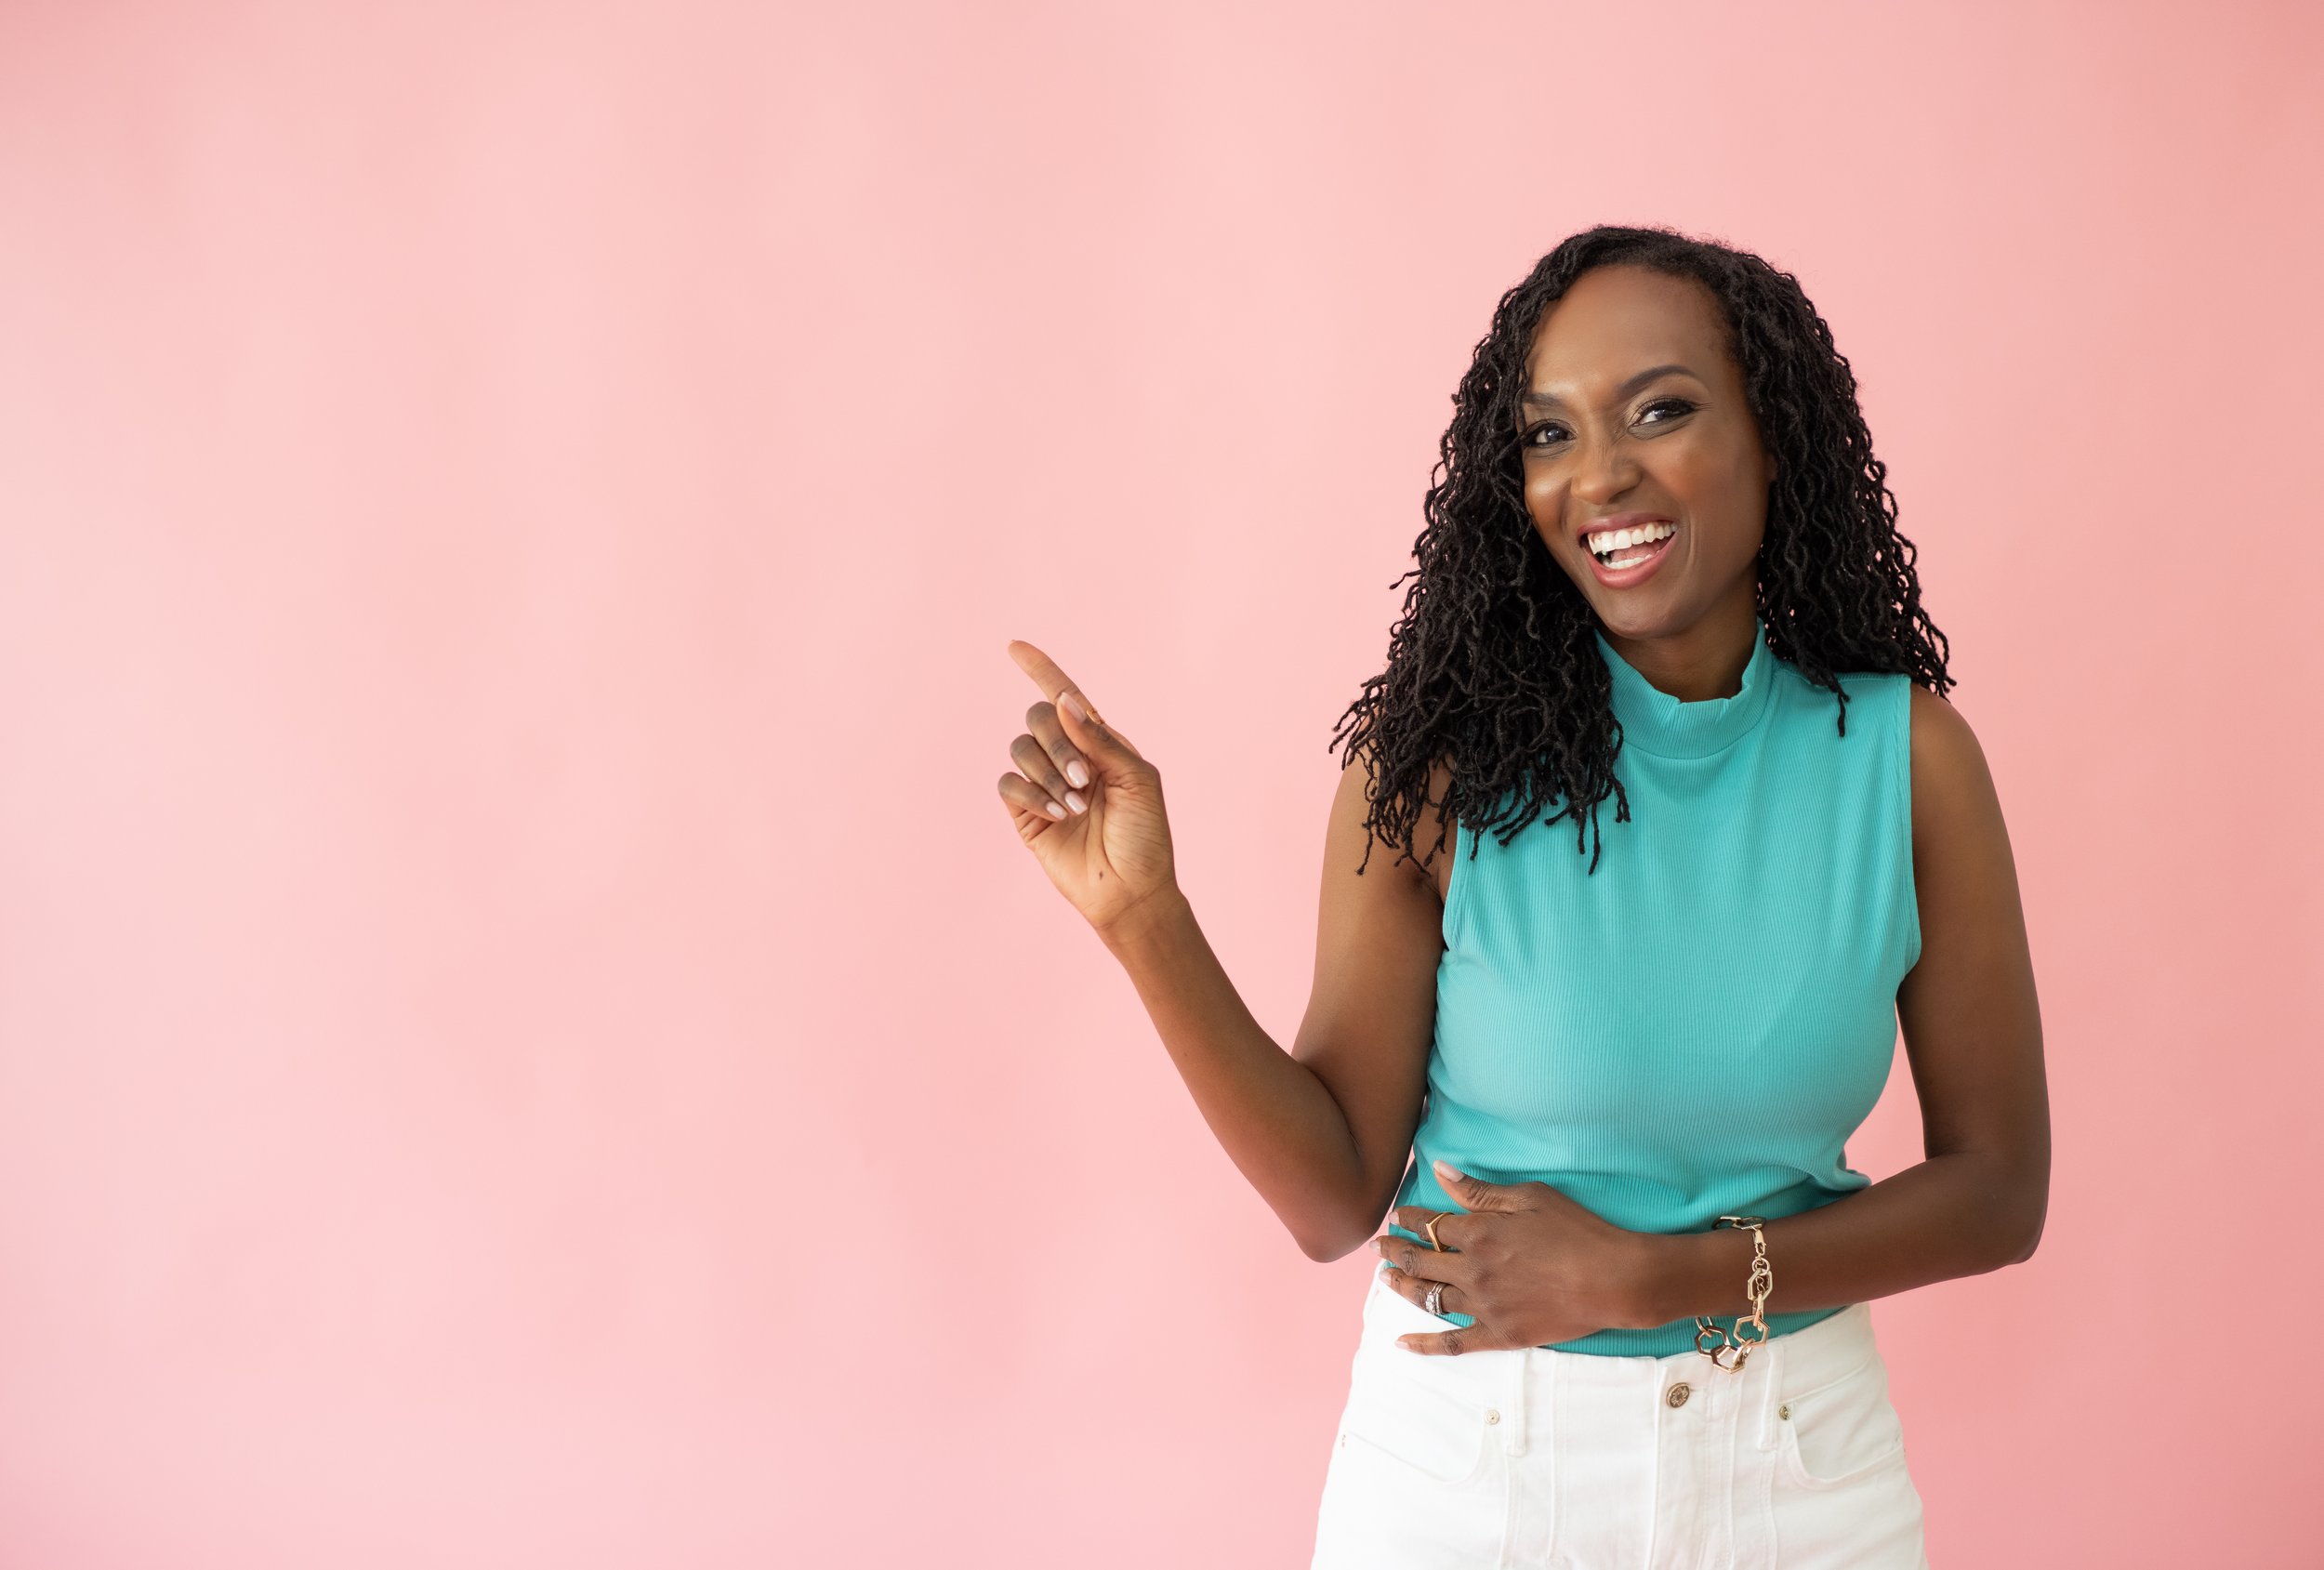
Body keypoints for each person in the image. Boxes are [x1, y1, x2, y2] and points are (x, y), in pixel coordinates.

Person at [995, 223, 2048, 1569]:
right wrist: (1144, 919)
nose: (1600, 477)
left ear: (1774, 433)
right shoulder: (1440, 772)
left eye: (1659, 410)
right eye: (1548, 436)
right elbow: (1331, 1196)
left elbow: (2000, 1189)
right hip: (1476, 1471)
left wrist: (1654, 1278)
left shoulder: (1908, 764)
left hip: (1797, 1474)